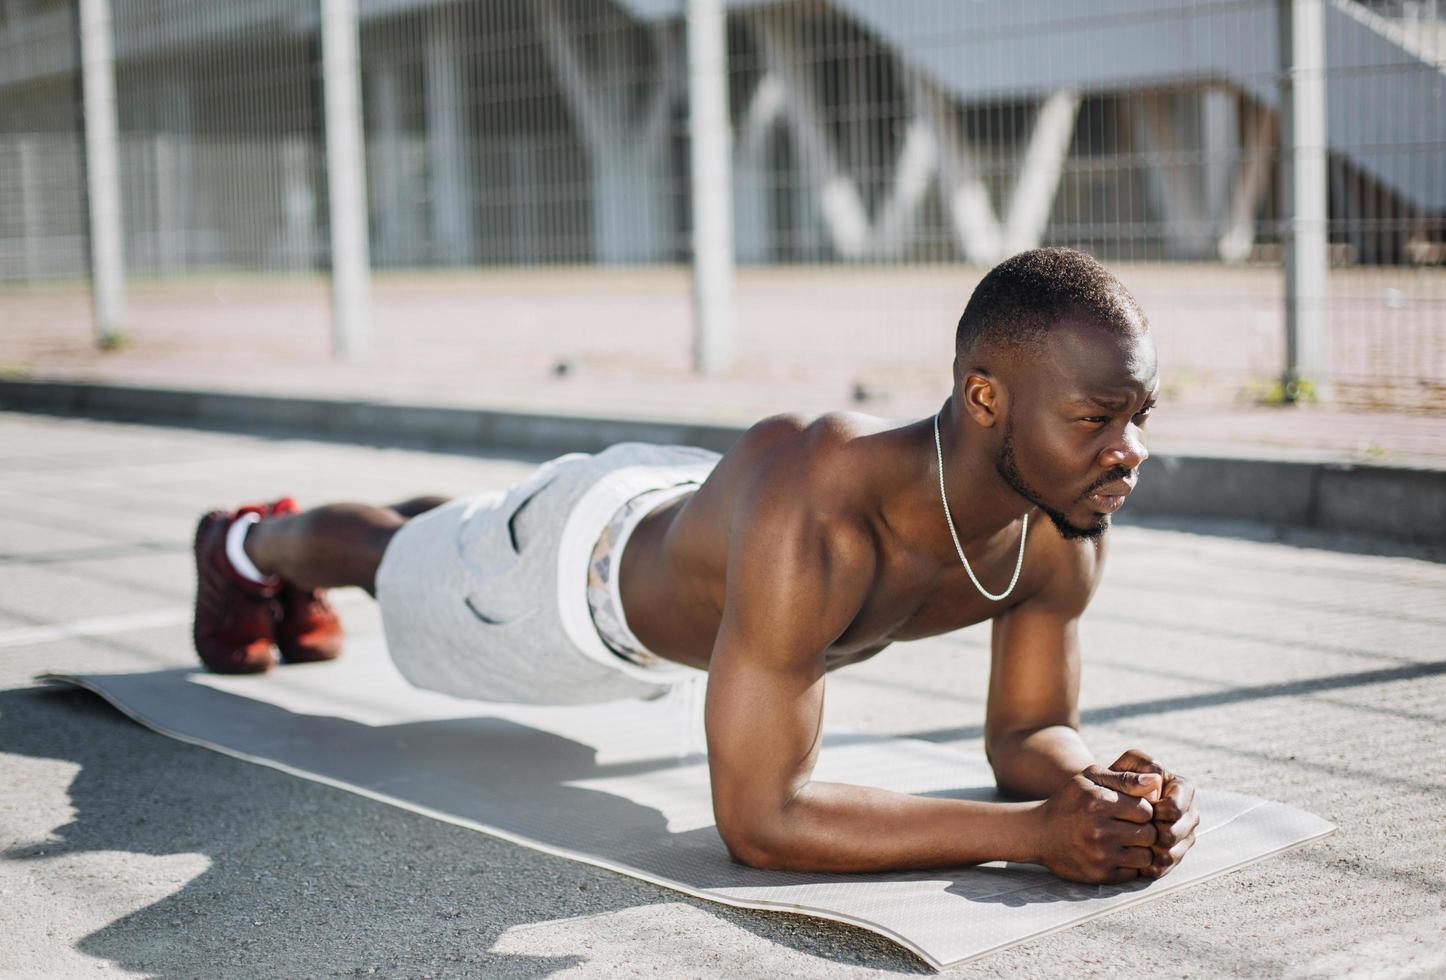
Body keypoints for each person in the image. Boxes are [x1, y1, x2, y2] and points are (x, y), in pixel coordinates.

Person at [192, 247, 1198, 886]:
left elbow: (1028, 730)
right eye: (1095, 418)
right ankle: (243, 545)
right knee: (390, 555)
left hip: (698, 508)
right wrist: (1031, 836)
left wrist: (1100, 793)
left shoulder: (1061, 526)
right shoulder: (824, 517)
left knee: (449, 527)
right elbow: (762, 819)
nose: (1129, 449)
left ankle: (355, 539)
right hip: (573, 590)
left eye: (1139, 415)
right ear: (986, 400)